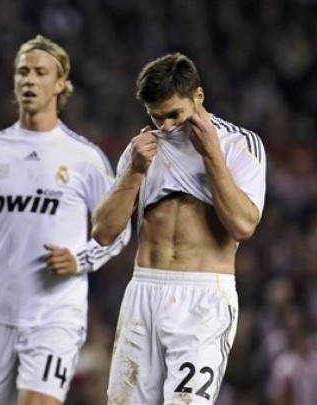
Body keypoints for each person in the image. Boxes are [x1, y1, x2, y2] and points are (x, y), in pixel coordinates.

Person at [0, 35, 131, 405]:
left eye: (40, 72)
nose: (29, 79)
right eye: (22, 72)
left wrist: (79, 259)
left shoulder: (84, 158)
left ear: (60, 84)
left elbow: (117, 229)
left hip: (55, 313)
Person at [91, 52, 267, 404]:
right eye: (157, 116)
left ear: (198, 96)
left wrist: (211, 153)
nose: (168, 126)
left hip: (202, 298)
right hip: (144, 291)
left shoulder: (238, 144)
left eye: (175, 114)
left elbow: (243, 225)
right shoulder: (141, 150)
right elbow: (103, 232)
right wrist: (135, 170)